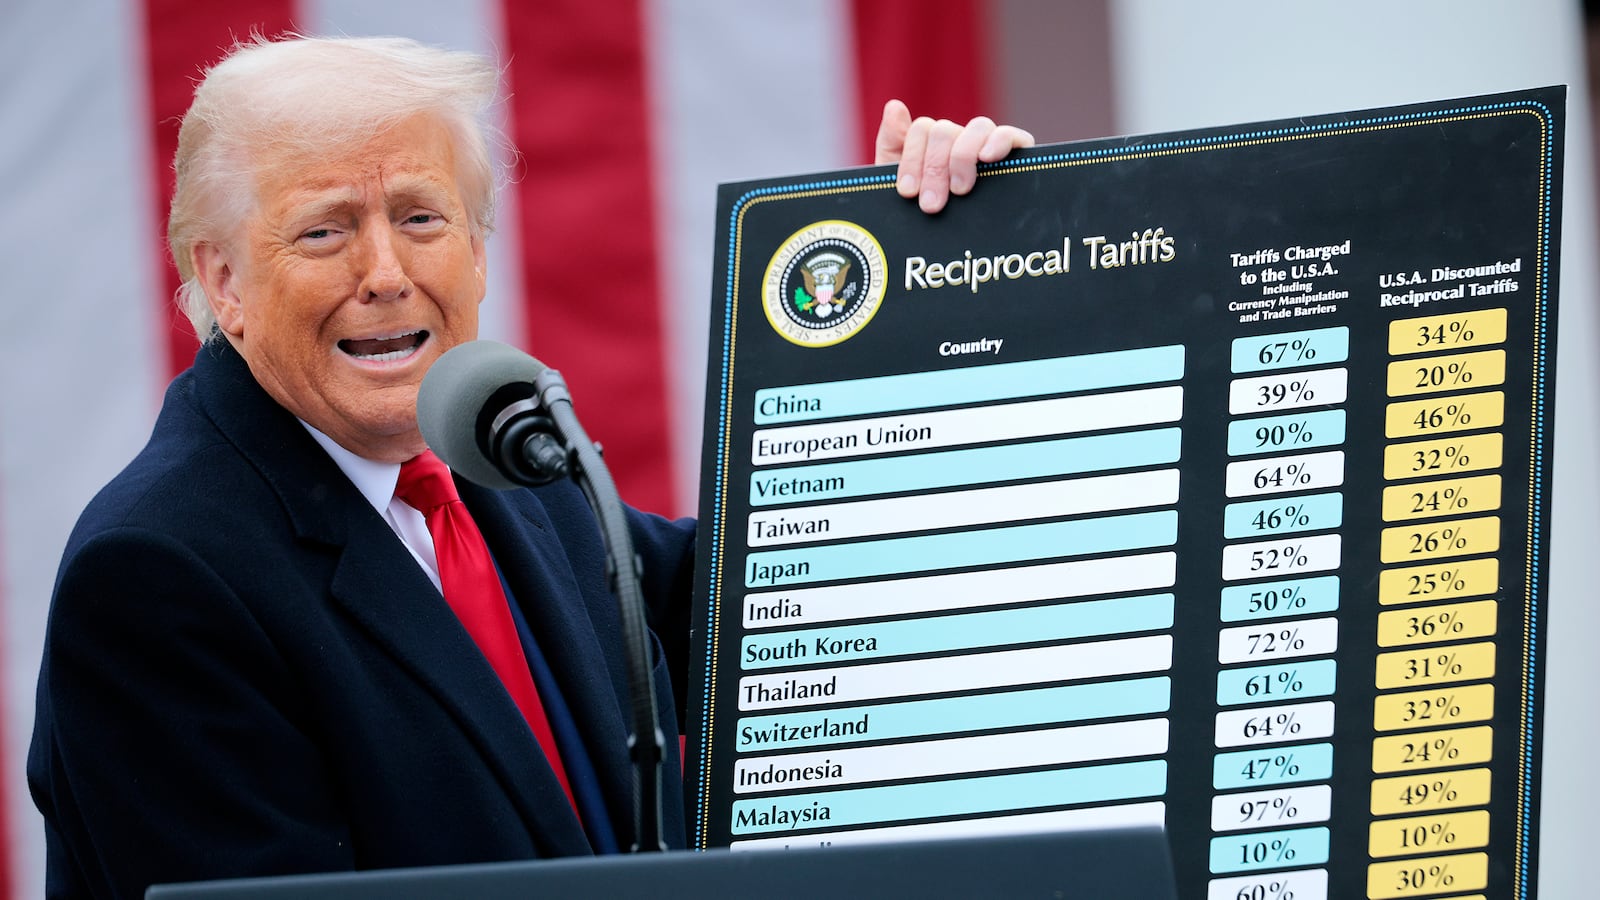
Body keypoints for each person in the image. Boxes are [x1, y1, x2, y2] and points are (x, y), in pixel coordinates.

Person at [26, 34, 1034, 899]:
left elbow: (778, 612)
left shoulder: (501, 453)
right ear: (224, 281)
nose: (386, 274)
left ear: (476, 248)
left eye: (420, 217)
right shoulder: (156, 578)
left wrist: (925, 276)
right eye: (325, 230)